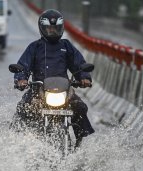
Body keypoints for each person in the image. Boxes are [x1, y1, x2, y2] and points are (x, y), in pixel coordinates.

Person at [12, 9, 95, 147]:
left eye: (56, 28)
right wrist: (21, 79)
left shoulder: (66, 46)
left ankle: (80, 144)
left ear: (61, 28)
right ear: (42, 28)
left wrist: (84, 77)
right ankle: (16, 142)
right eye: (49, 28)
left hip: (64, 91)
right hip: (38, 90)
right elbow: (23, 66)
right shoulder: (34, 47)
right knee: (23, 108)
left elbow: (79, 64)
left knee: (80, 107)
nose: (52, 31)